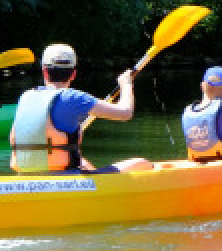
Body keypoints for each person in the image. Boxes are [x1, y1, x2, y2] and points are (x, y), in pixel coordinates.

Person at [9, 43, 142, 173]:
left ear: (44, 71)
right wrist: (126, 84)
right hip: (63, 180)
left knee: (83, 162)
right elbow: (126, 113)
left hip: (26, 176)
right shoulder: (74, 98)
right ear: (73, 74)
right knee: (141, 163)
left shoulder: (26, 96)